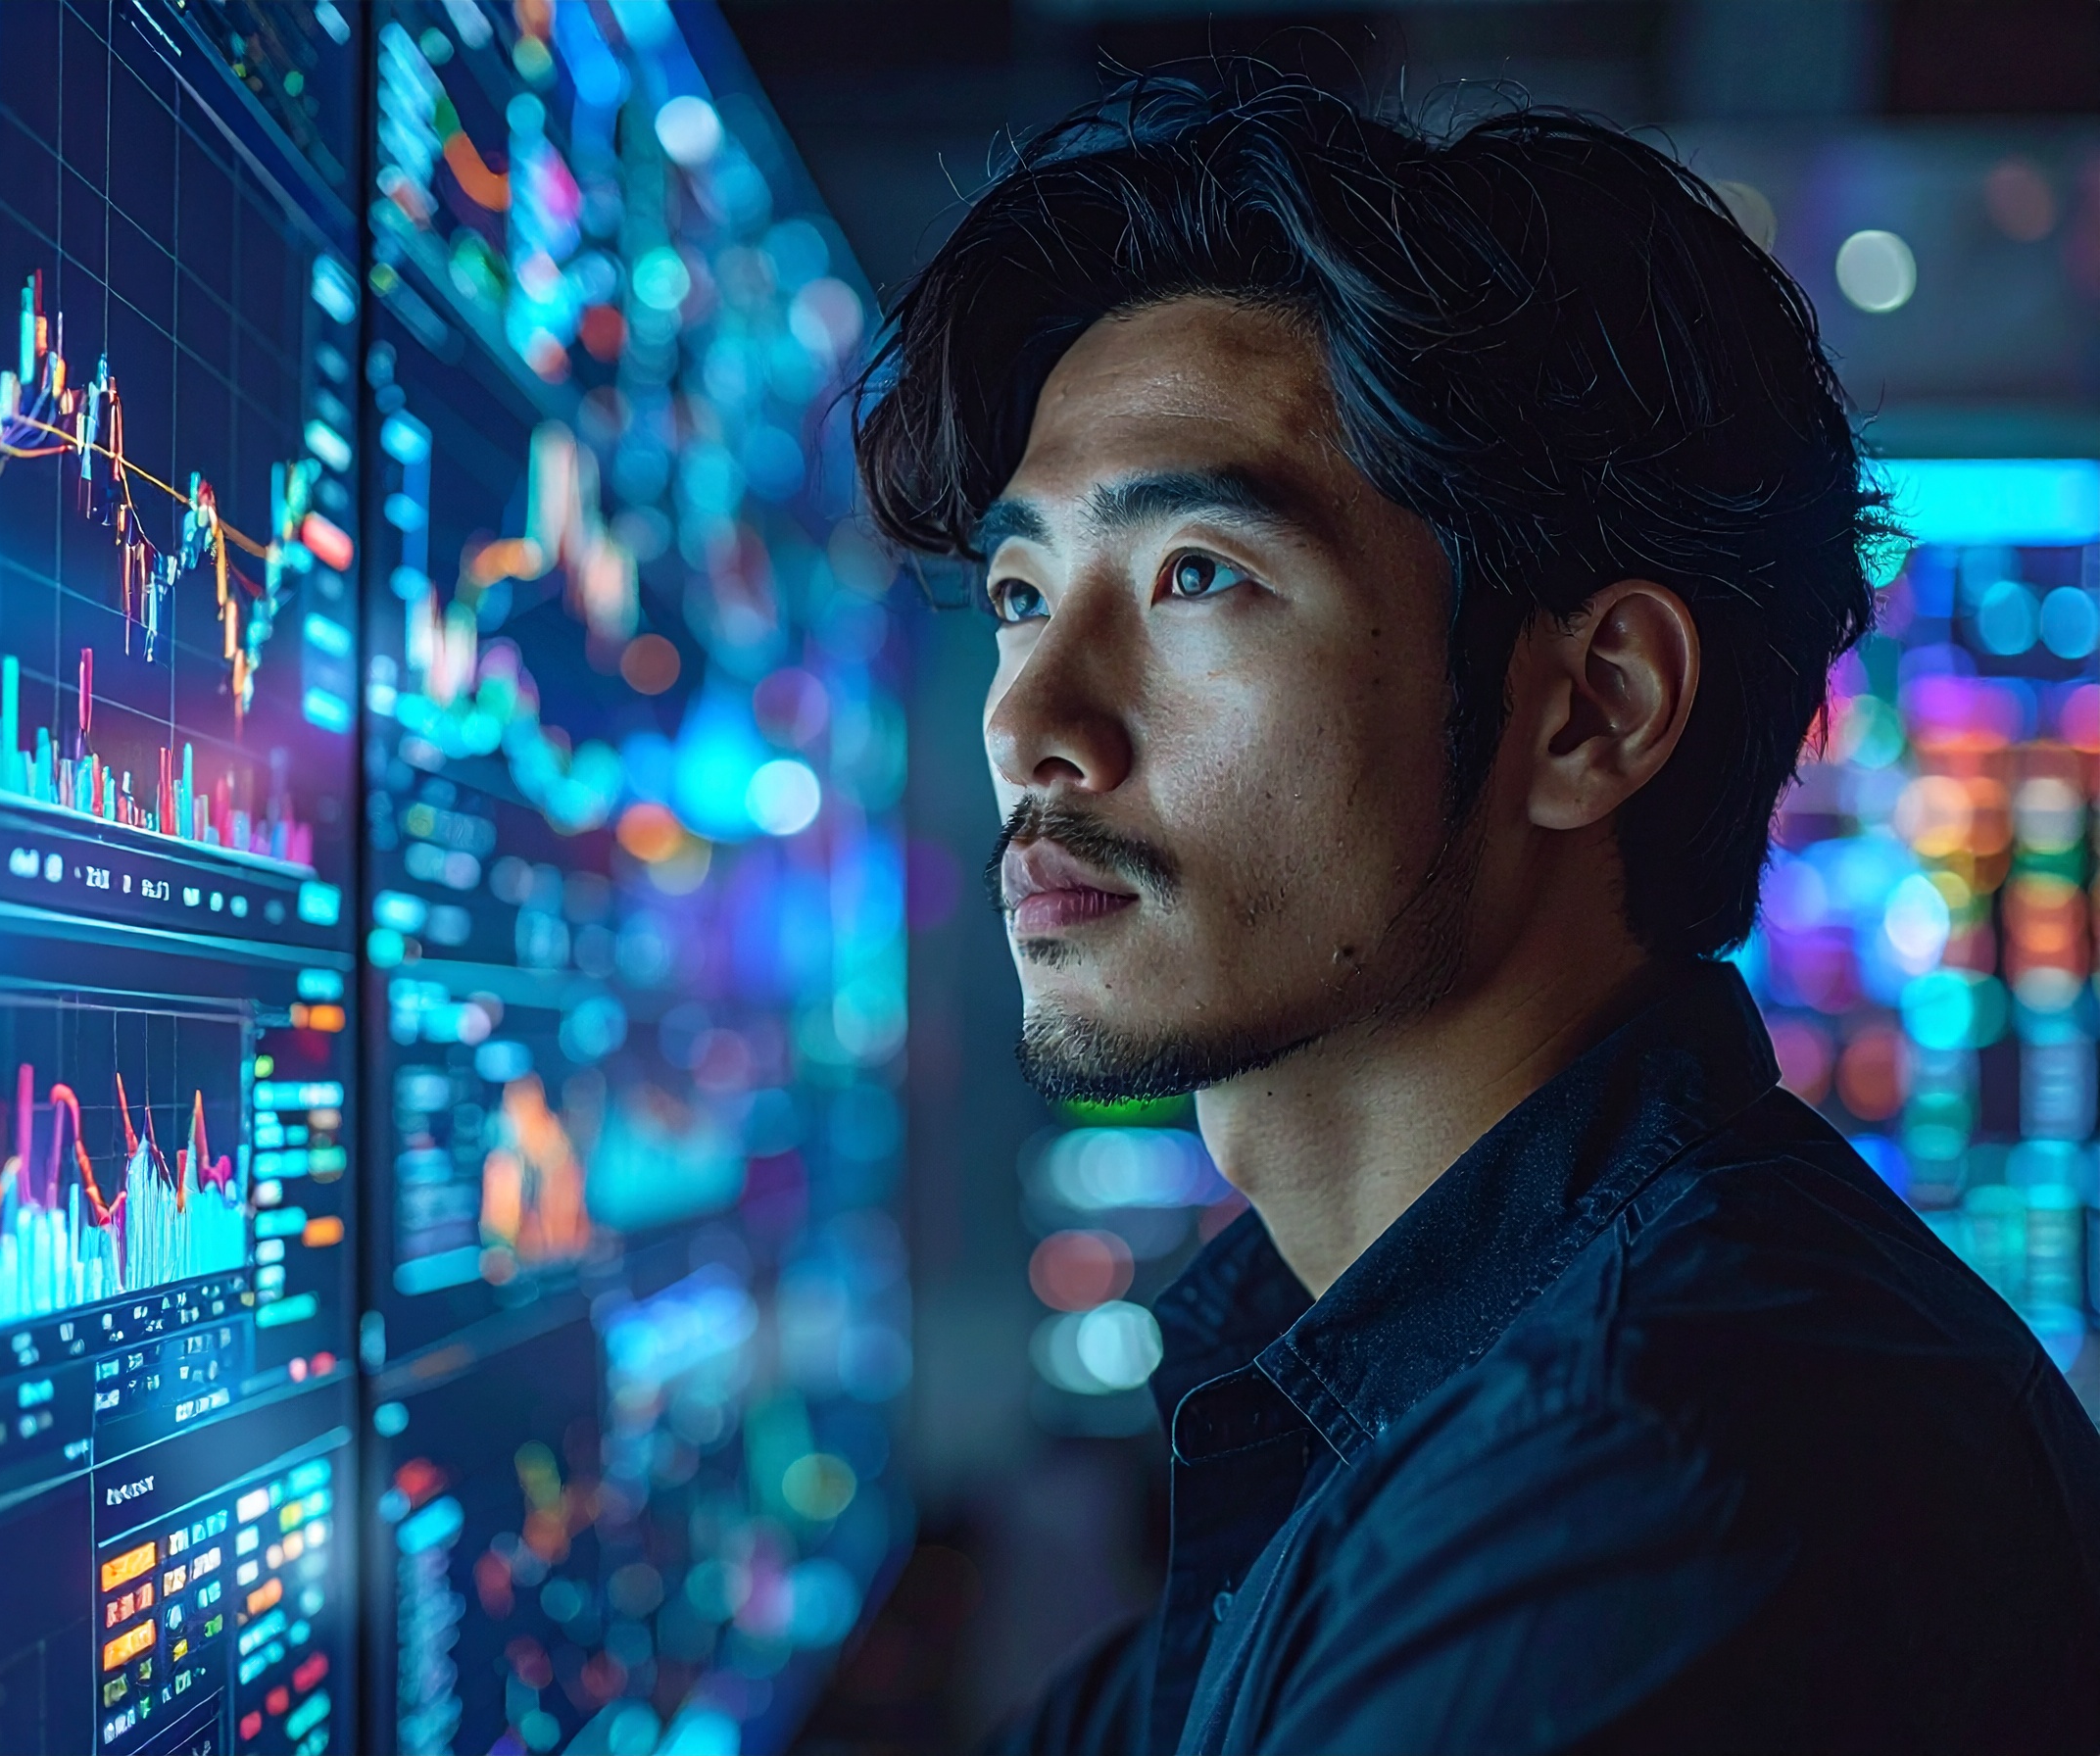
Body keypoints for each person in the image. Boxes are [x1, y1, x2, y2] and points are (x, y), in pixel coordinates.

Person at [853, 69, 2100, 1755]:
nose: (1026, 723)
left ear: (1593, 709)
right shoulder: (1385, 1365)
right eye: (1017, 595)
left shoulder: (1655, 1481)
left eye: (1194, 576)